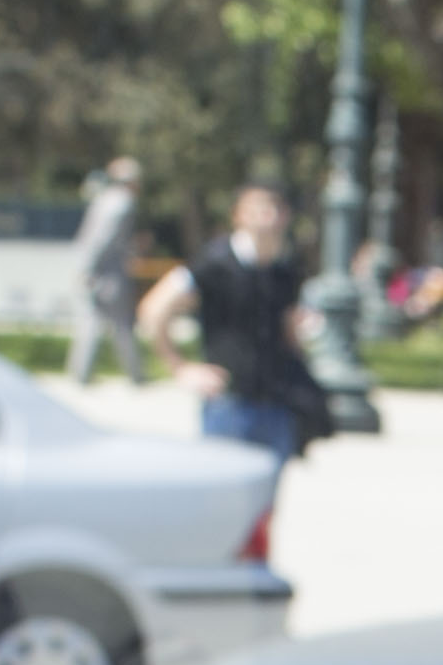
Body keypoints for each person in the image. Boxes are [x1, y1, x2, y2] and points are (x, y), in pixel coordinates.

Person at [141, 181, 329, 462]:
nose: (268, 217)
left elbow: (288, 332)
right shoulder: (214, 262)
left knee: (265, 501)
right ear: (238, 216)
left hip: (278, 401)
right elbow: (154, 308)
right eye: (258, 209)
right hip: (229, 402)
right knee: (222, 498)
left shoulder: (286, 269)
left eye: (275, 208)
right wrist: (179, 367)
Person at [64, 152, 146, 387]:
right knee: (120, 323)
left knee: (93, 320)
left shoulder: (104, 199)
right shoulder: (123, 203)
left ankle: (81, 373)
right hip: (108, 271)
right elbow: (103, 239)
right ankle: (135, 374)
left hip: (96, 267)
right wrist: (91, 268)